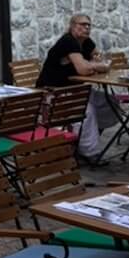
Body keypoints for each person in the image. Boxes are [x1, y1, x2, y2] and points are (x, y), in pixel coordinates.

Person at [37, 13, 116, 163]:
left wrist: (94, 64)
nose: (86, 28)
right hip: (52, 92)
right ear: (72, 26)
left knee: (109, 102)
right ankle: (90, 152)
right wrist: (95, 65)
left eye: (89, 25)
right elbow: (84, 69)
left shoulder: (86, 42)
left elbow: (101, 59)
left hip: (74, 90)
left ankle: (84, 140)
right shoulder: (68, 41)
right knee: (87, 110)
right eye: (82, 24)